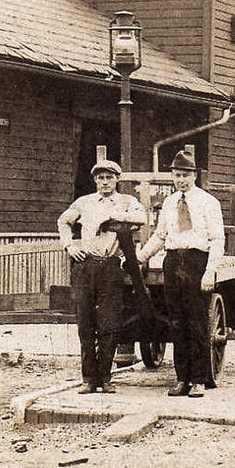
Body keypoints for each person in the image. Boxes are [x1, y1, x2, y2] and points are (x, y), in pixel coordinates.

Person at [137, 150, 225, 398]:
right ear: (172, 176)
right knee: (176, 322)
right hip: (173, 262)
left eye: (186, 175)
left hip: (197, 261)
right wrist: (140, 257)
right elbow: (160, 235)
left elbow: (218, 239)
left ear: (194, 175)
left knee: (197, 322)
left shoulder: (208, 202)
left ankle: (198, 380)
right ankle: (182, 379)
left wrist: (209, 272)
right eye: (177, 175)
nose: (181, 180)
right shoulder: (168, 202)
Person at [57, 159, 148, 394]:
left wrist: (115, 216)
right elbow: (63, 221)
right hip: (84, 265)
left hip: (110, 266)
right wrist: (69, 245)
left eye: (109, 177)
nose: (104, 182)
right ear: (95, 180)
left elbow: (142, 218)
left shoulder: (127, 201)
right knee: (85, 323)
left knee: (109, 323)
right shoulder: (84, 202)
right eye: (100, 178)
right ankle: (89, 379)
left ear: (117, 179)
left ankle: (105, 378)